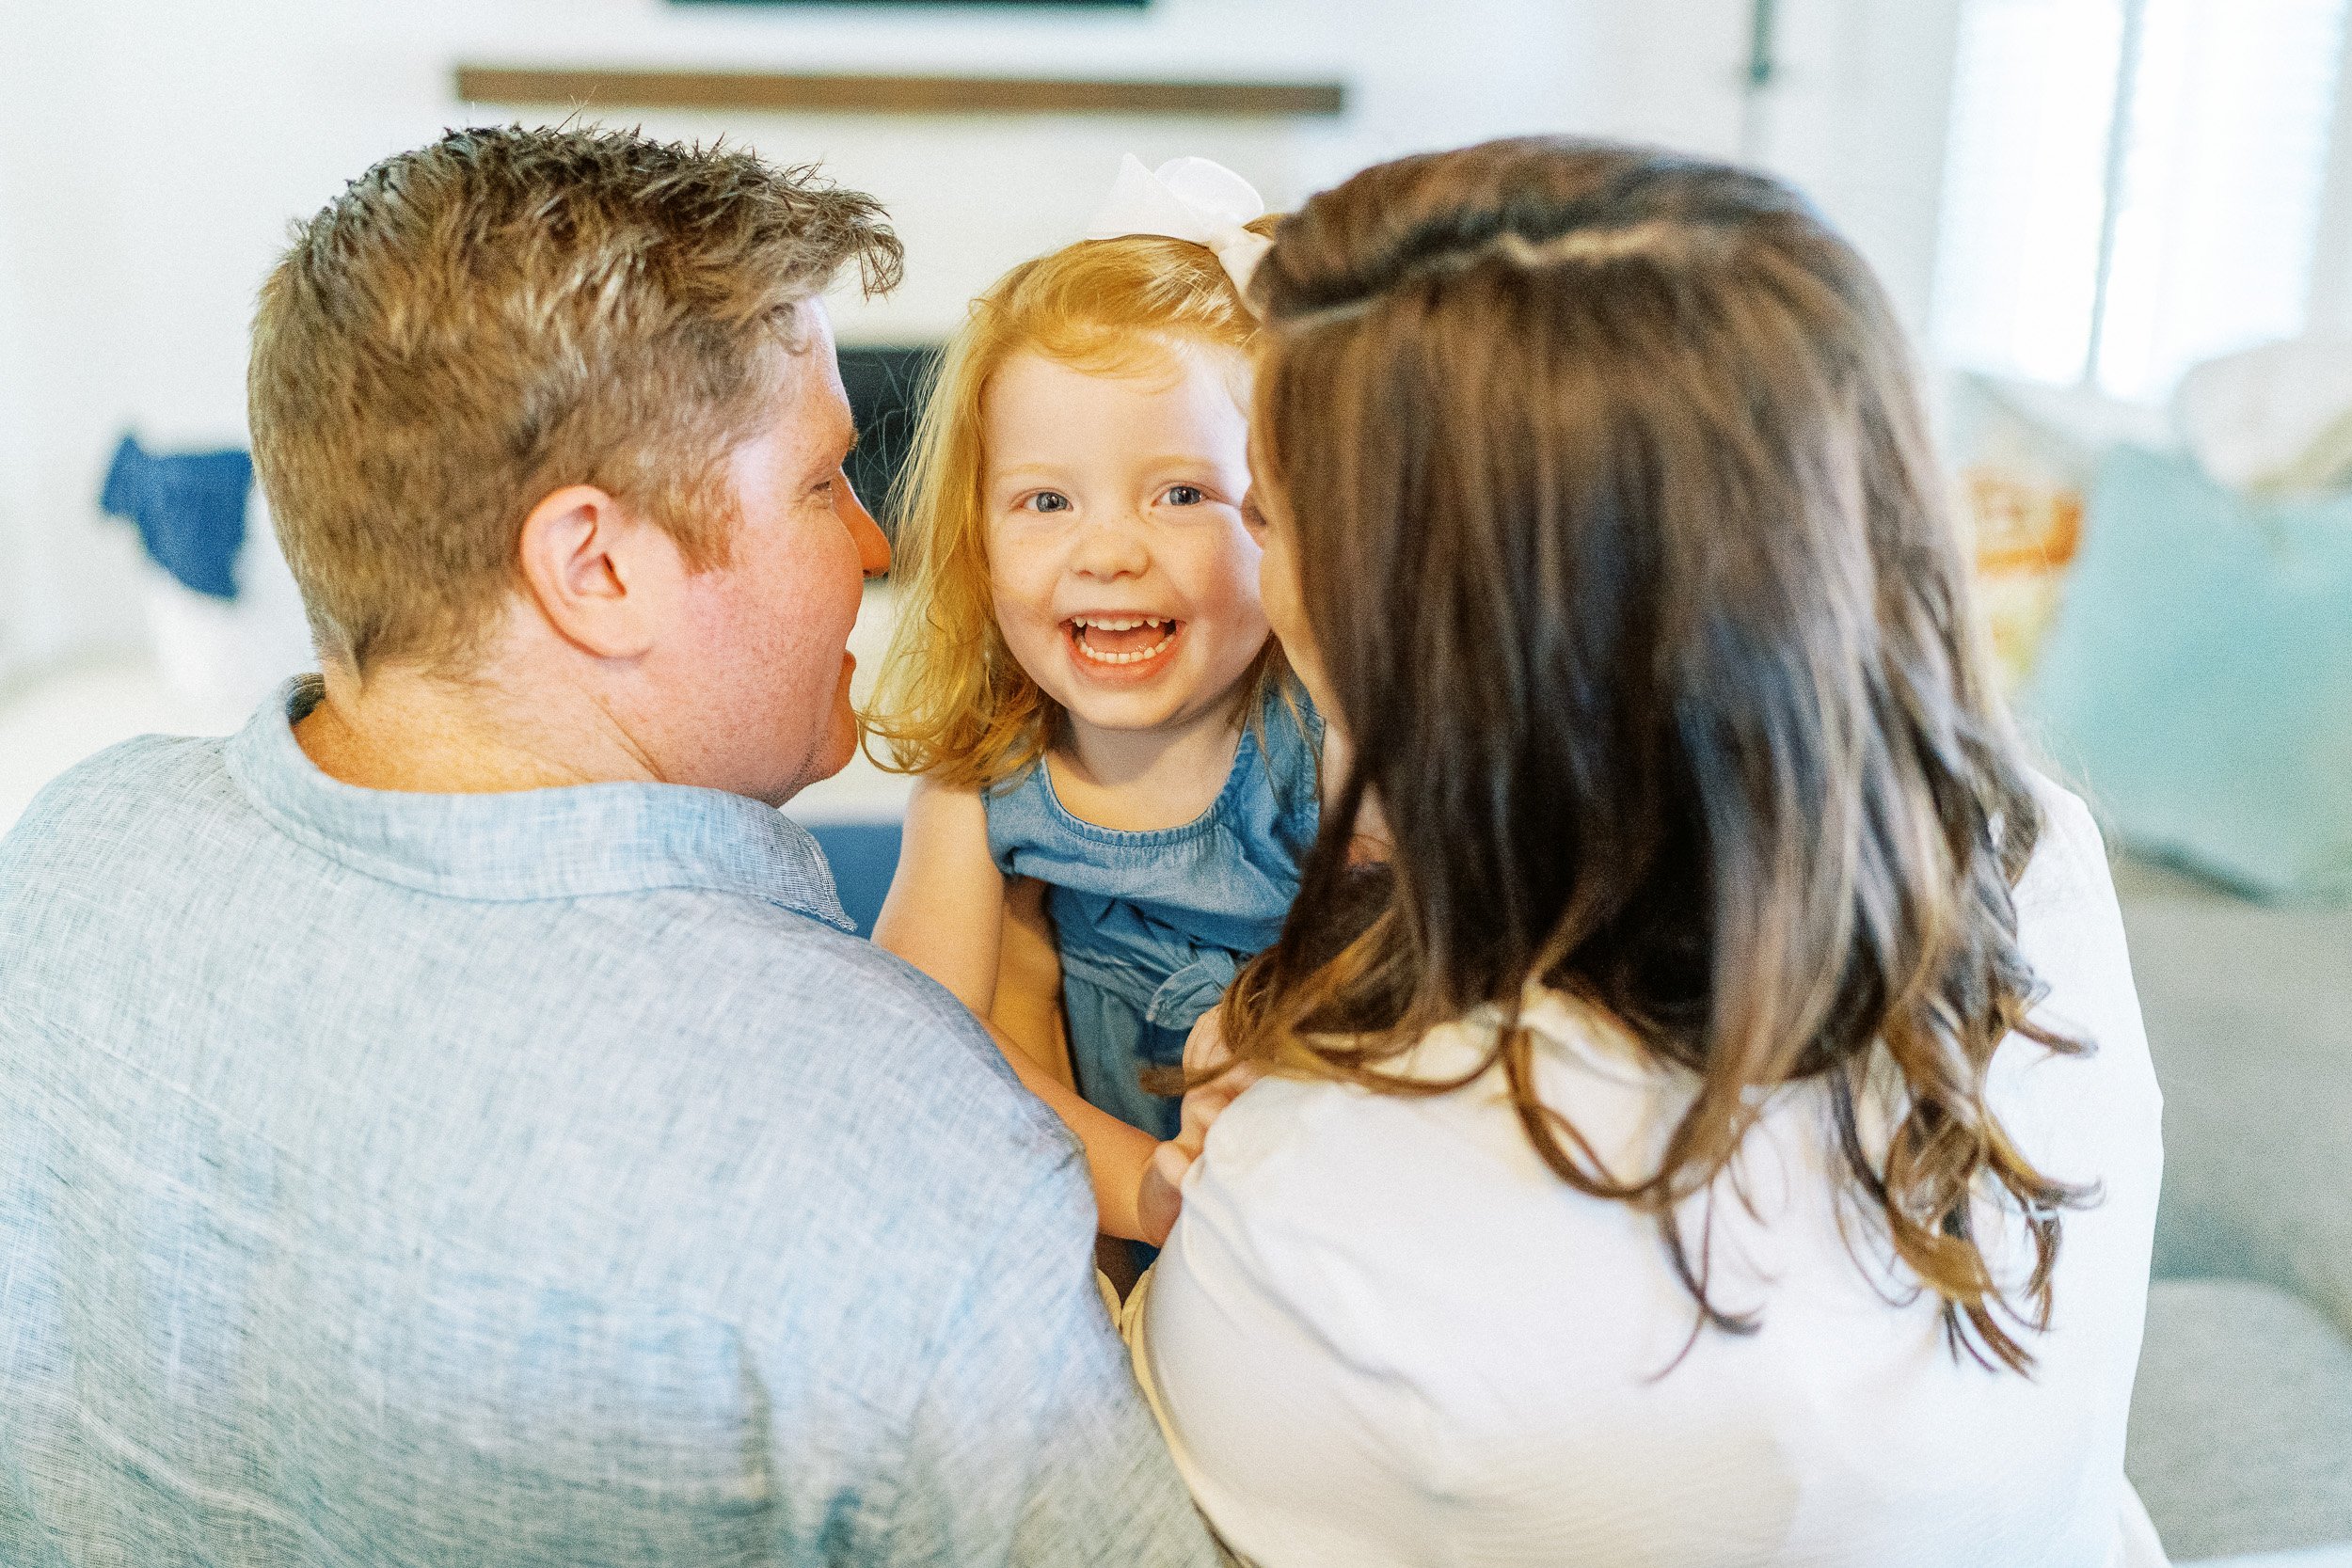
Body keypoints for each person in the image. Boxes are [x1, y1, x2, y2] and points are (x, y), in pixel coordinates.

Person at [0, 126, 1215, 1567]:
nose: (880, 544)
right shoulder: (900, 1161)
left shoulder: (71, 847)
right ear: (599, 567)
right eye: (825, 481)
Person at [1137, 139, 2168, 1566]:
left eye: (1275, 509)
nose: (1252, 549)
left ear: (1448, 647)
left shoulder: (1345, 1217)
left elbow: (1113, 1487)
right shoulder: (2031, 855)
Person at [866, 157, 1319, 1254]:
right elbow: (931, 1040)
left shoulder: (1315, 749)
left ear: (1287, 516)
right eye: (1046, 500)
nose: (1107, 551)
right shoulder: (983, 782)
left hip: (1322, 1213)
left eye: (1181, 493)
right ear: (975, 534)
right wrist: (1143, 1193)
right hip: (1097, 1210)